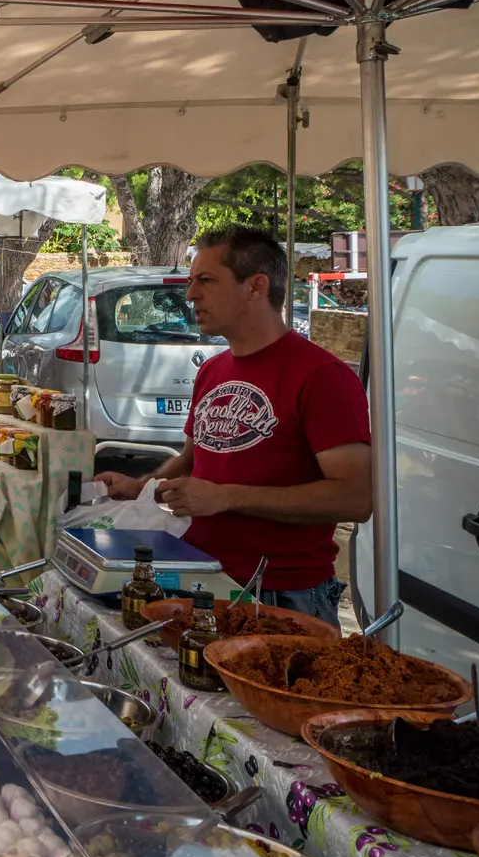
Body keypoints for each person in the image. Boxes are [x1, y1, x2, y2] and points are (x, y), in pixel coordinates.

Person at [96, 226, 371, 622]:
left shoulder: (322, 376)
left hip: (279, 596)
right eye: (192, 281)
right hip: (202, 576)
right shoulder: (212, 370)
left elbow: (355, 499)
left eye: (206, 281)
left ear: (256, 286)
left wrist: (228, 497)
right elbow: (194, 459)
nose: (191, 295)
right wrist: (143, 487)